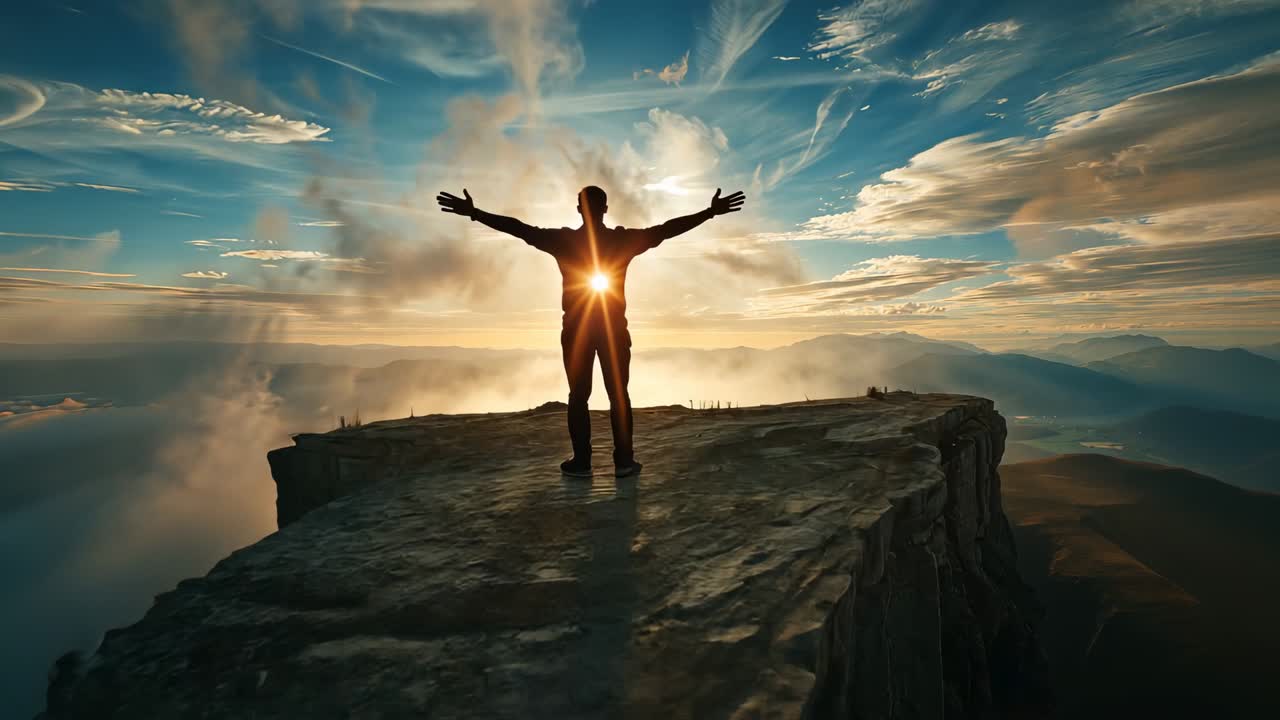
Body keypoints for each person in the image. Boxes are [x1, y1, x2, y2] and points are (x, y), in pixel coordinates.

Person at [437, 185, 746, 478]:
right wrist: (708, 212)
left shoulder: (563, 241)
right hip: (613, 330)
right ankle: (624, 461)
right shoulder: (623, 241)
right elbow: (665, 230)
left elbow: (519, 229)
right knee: (618, 396)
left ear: (579, 210)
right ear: (605, 209)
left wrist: (475, 213)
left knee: (578, 396)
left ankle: (582, 463)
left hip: (577, 331)